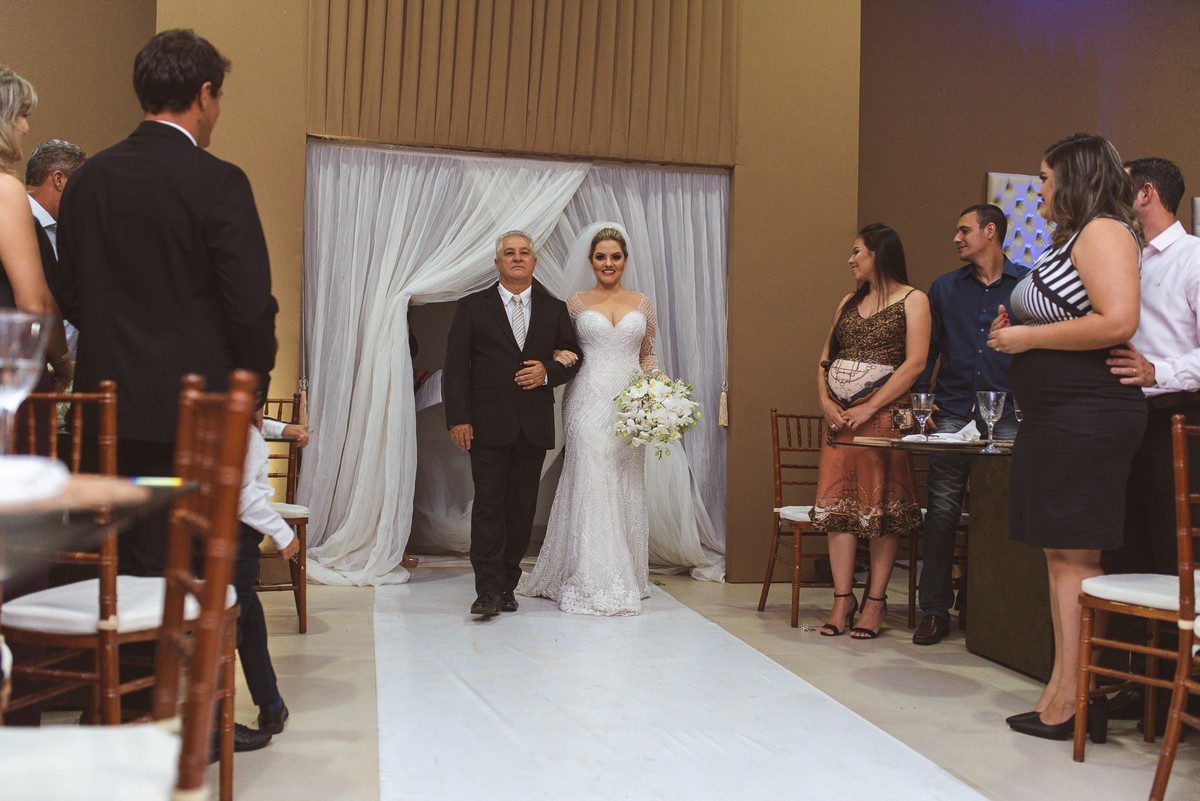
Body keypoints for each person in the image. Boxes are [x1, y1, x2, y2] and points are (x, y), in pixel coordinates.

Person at [55, 29, 277, 577]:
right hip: (193, 414)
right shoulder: (219, 181)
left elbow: (73, 295)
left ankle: (119, 664)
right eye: (218, 98)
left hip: (102, 410)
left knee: (107, 565)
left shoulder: (88, 182)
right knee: (179, 570)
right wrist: (252, 391)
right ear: (205, 94)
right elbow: (249, 308)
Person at [988, 132, 1144, 741]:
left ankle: (1077, 698)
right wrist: (1021, 322)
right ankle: (1063, 689)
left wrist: (1025, 339)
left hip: (1089, 416)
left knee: (1076, 555)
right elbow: (1073, 313)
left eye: (1047, 178)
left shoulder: (1105, 230)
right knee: (1062, 555)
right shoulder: (1075, 239)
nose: (1041, 189)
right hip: (1062, 417)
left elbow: (1117, 320)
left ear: (1075, 180)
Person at [1102, 157, 1200, 725]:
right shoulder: (1126, 259)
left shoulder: (1192, 258)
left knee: (1171, 556)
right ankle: (1140, 686)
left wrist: (1156, 372)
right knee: (1127, 555)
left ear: (1144, 193)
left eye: (1122, 184)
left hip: (1175, 422)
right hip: (1124, 424)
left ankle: (1175, 692)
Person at [517, 223, 657, 616]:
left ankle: (626, 571)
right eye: (600, 257)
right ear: (591, 261)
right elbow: (563, 346)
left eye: (615, 257)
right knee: (592, 475)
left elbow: (647, 353)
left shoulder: (643, 303)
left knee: (623, 480)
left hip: (630, 404)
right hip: (587, 399)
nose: (608, 263)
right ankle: (595, 577)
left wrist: (657, 389)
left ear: (625, 261)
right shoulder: (574, 303)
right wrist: (558, 358)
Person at [444, 230, 582, 616]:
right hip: (486, 425)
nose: (517, 258)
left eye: (524, 253)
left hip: (534, 425)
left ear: (534, 261)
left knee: (521, 509)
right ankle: (486, 590)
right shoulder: (473, 307)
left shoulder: (554, 309)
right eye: (509, 253)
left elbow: (574, 355)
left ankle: (507, 585)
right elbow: (455, 370)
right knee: (489, 506)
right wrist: (459, 419)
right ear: (497, 263)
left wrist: (548, 371)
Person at [910, 204, 1029, 645]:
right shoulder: (943, 288)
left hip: (1010, 414)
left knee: (1002, 515)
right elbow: (929, 350)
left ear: (990, 231)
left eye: (964, 230)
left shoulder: (1026, 286)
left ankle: (994, 610)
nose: (956, 238)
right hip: (954, 411)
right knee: (941, 513)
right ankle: (935, 611)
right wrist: (922, 401)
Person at [813, 223, 930, 639]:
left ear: (879, 254)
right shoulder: (847, 301)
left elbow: (915, 364)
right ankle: (843, 599)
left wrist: (870, 406)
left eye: (857, 251)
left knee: (879, 513)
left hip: (882, 419)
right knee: (839, 512)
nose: (851, 259)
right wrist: (827, 402)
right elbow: (826, 358)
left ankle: (876, 602)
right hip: (841, 421)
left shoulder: (913, 300)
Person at [232, 408, 302, 751]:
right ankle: (213, 720)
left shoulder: (241, 421)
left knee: (250, 617)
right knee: (232, 627)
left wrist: (282, 427)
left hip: (220, 532)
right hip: (234, 537)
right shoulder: (241, 432)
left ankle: (272, 703)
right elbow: (241, 496)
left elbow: (255, 420)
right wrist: (281, 532)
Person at [0, 66, 72, 390]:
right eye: (20, 116)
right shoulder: (5, 189)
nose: (26, 128)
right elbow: (34, 303)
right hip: (8, 374)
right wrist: (63, 362)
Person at [26, 139, 87, 362]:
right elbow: (35, 303)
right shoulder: (15, 221)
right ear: (59, 179)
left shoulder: (65, 229)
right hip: (26, 361)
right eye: (81, 186)